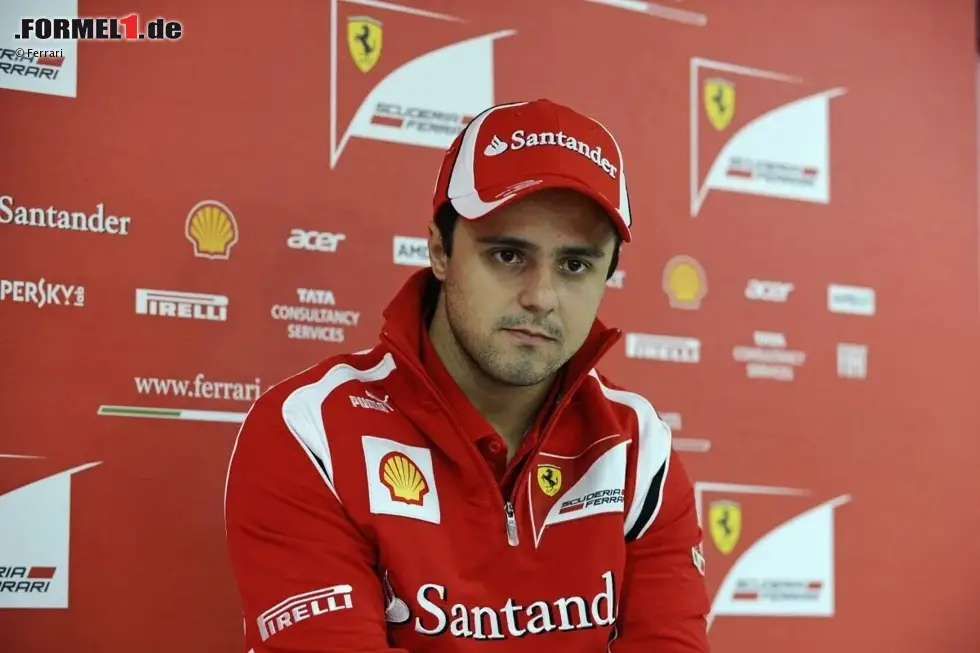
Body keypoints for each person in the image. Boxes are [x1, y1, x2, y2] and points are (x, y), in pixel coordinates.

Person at [224, 98, 711, 653]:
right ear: (439, 250)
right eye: (507, 256)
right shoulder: (312, 432)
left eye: (575, 265)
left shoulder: (635, 445)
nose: (540, 297)